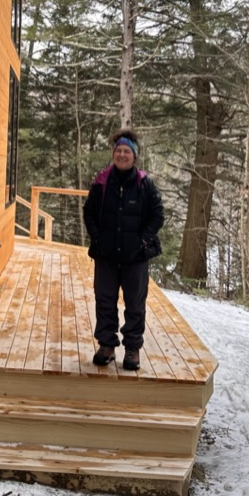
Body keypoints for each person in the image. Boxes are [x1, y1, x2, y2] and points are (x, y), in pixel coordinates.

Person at [82, 129, 165, 371]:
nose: (121, 154)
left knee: (135, 304)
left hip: (135, 257)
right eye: (118, 150)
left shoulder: (144, 184)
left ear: (134, 155)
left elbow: (157, 215)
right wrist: (98, 238)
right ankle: (106, 345)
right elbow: (89, 212)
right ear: (113, 153)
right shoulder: (102, 182)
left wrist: (142, 241)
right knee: (105, 301)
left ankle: (132, 349)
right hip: (106, 255)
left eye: (126, 151)